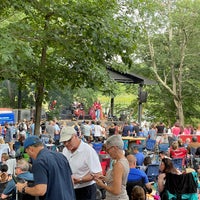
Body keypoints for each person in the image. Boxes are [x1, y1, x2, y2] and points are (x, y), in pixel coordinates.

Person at [16, 135, 75, 200]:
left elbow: (40, 191)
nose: (29, 156)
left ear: (31, 149)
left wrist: (24, 189)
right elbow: (71, 181)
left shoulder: (39, 162)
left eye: (27, 152)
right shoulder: (61, 156)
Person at [61, 126, 102, 200]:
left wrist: (80, 179)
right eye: (64, 142)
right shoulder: (65, 150)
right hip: (70, 189)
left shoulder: (88, 151)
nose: (66, 144)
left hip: (85, 190)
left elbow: (98, 174)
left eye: (69, 140)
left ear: (75, 136)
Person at [94, 135, 129, 200]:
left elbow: (116, 191)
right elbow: (118, 181)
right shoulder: (124, 160)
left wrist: (102, 185)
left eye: (108, 150)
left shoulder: (118, 165)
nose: (107, 153)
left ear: (114, 148)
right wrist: (105, 178)